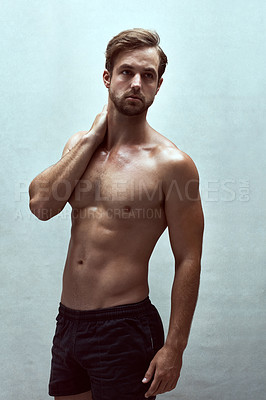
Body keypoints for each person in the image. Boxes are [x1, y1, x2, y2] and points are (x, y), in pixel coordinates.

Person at [29, 28, 204, 400]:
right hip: (69, 323)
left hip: (124, 327)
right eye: (126, 72)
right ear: (107, 77)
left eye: (148, 75)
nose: (137, 83)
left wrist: (175, 347)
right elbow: (42, 205)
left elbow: (189, 258)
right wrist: (93, 138)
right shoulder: (79, 146)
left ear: (158, 86)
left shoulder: (172, 165)